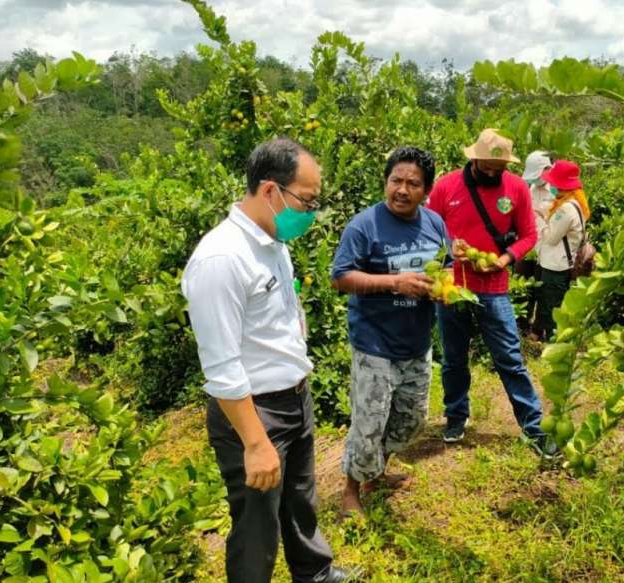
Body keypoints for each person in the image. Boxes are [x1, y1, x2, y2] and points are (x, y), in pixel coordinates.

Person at [181, 138, 352, 583]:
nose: (312, 212)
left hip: (294, 397)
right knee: (258, 523)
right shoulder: (221, 258)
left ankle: (314, 573)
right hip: (255, 411)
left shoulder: (273, 241)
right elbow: (221, 366)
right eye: (307, 200)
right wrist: (255, 443)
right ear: (271, 190)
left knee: (299, 498)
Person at [426, 128, 555, 457]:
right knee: (454, 359)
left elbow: (528, 235)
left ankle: (533, 426)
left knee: (510, 359)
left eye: (499, 168)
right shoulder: (446, 186)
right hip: (454, 287)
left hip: (493, 288)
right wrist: (445, 249)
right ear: (474, 160)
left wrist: (503, 259)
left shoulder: (516, 189)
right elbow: (426, 227)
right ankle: (456, 416)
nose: (494, 173)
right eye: (487, 167)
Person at [331, 147, 445, 516]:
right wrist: (395, 283)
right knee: (368, 422)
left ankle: (376, 472)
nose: (402, 189)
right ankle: (351, 491)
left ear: (426, 190)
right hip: (374, 343)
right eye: (396, 180)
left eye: (413, 183)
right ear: (386, 181)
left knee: (411, 420)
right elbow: (341, 277)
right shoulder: (364, 225)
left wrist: (447, 290)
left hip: (416, 342)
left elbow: (447, 268)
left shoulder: (435, 224)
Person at [532, 160, 591, 341]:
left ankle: (553, 343)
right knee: (548, 303)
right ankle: (541, 334)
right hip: (559, 262)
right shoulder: (573, 203)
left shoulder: (566, 209)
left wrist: (539, 220)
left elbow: (551, 237)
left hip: (556, 266)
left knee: (552, 307)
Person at [516, 150, 553, 332]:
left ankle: (539, 330)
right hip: (527, 245)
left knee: (542, 291)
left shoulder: (557, 189)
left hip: (547, 248)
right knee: (523, 286)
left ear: (547, 169)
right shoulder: (530, 187)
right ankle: (521, 326)